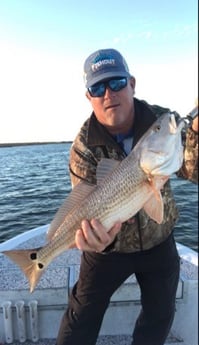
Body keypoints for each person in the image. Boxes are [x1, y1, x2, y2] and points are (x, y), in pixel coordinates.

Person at [56, 48, 198, 345]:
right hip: (108, 249)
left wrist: (196, 132)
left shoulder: (162, 122)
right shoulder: (83, 147)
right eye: (97, 87)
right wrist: (95, 239)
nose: (108, 93)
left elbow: (192, 170)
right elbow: (83, 205)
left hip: (159, 240)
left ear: (132, 83)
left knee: (159, 316)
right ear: (89, 97)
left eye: (117, 82)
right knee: (80, 318)